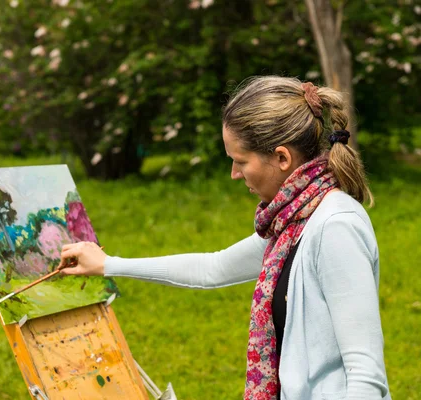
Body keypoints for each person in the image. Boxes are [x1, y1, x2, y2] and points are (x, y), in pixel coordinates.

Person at [59, 76, 391, 400]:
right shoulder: (291, 224)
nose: (234, 174)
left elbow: (365, 375)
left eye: (240, 161)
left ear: (282, 158)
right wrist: (108, 264)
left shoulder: (335, 226)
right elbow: (214, 268)